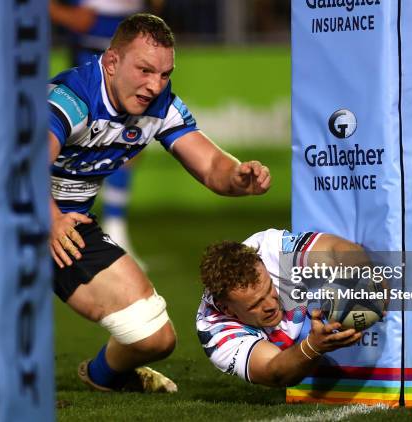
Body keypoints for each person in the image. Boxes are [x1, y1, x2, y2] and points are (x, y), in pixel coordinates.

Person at [48, 13, 271, 393]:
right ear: (112, 62)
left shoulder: (160, 106)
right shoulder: (71, 99)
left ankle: (103, 377)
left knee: (153, 338)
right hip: (8, 219)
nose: (155, 85)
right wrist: (49, 221)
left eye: (165, 74)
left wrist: (238, 176)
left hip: (68, 228)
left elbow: (212, 166)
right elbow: (18, 167)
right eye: (145, 70)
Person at [49, 0, 165, 261]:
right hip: (92, 41)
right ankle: (58, 218)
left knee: (131, 136)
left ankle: (115, 226)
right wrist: (64, 14)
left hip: (132, 35)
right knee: (77, 135)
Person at [196, 229, 364, 387]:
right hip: (300, 344)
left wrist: (371, 280)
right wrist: (313, 346)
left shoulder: (272, 249)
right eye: (255, 304)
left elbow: (339, 249)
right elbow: (274, 372)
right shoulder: (217, 333)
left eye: (269, 289)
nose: (270, 305)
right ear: (228, 310)